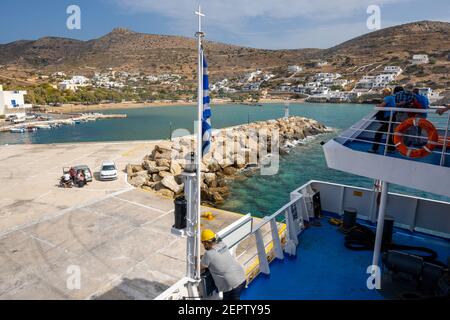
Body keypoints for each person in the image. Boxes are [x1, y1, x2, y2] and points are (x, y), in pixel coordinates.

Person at [200, 229, 246, 300]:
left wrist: (198, 259)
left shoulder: (208, 254)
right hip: (242, 278)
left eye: (202, 243)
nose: (203, 245)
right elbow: (216, 254)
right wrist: (203, 257)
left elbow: (200, 267)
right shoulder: (222, 244)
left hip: (231, 286)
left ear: (206, 243)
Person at [369, 88, 397, 154]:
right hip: (392, 117)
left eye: (383, 92)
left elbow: (382, 106)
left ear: (386, 93)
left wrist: (377, 105)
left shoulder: (387, 98)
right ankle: (391, 149)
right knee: (389, 133)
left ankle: (374, 149)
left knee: (378, 133)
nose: (382, 93)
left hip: (388, 118)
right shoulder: (392, 97)